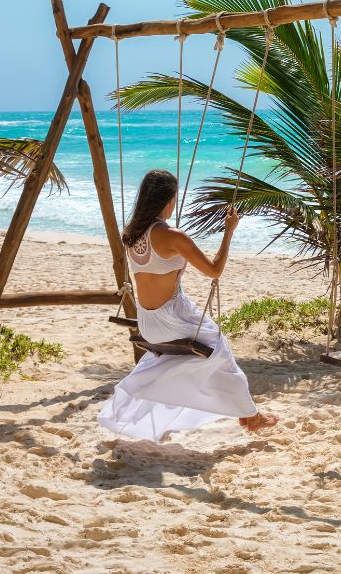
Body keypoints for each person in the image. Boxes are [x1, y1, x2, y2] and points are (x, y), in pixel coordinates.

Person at [98, 169, 278, 441]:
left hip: (148, 322)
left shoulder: (132, 234)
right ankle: (250, 416)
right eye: (175, 197)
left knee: (199, 358)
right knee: (219, 352)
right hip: (173, 319)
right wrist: (229, 232)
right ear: (168, 199)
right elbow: (214, 270)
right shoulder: (172, 235)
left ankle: (246, 411)